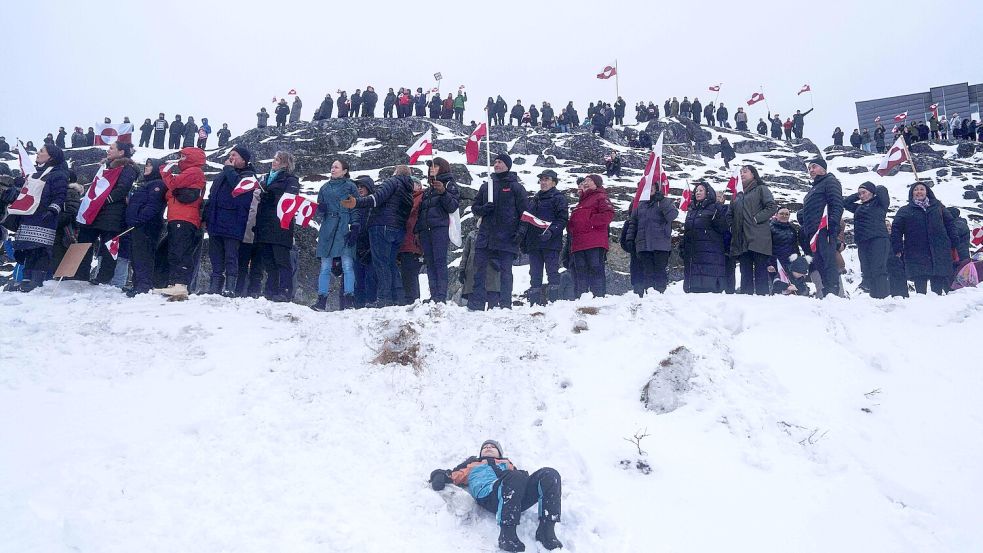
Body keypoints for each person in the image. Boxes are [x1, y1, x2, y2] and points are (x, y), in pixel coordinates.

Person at [429, 440, 562, 552]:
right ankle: (507, 534)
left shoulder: (507, 465)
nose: (488, 448)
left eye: (492, 446)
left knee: (550, 474)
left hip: (515, 495)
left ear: (499, 453)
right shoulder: (472, 465)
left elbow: (523, 480)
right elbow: (450, 475)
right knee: (515, 477)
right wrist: (437, 475)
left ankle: (546, 530)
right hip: (490, 495)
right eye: (485, 447)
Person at [341, 165, 415, 307]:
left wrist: (356, 202)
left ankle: (383, 298)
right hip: (398, 230)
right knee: (391, 264)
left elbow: (376, 198)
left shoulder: (393, 182)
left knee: (381, 263)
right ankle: (397, 298)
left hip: (382, 226)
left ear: (396, 173)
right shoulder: (408, 189)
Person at [467, 153, 527, 310]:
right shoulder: (487, 186)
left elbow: (525, 213)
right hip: (486, 235)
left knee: (506, 272)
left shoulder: (516, 187)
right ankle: (476, 304)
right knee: (479, 271)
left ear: (508, 165)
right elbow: (475, 208)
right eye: (495, 161)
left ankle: (505, 304)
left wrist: (521, 232)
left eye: (500, 162)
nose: (496, 164)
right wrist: (483, 209)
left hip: (507, 236)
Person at [73, 141, 139, 284]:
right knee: (84, 239)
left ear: (121, 152)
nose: (108, 151)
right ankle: (79, 273)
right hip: (93, 211)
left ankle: (103, 277)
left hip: (112, 213)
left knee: (108, 245)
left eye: (111, 148)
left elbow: (122, 188)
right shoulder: (104, 167)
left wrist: (105, 200)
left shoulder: (128, 168)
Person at [5, 145, 69, 291]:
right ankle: (25, 280)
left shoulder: (58, 174)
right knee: (28, 250)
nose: (38, 153)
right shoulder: (33, 173)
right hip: (28, 216)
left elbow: (60, 196)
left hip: (45, 218)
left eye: (42, 151)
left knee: (40, 250)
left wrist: (53, 210)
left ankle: (36, 281)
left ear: (51, 157)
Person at [203, 146, 259, 296]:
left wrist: (228, 170)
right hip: (215, 221)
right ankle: (214, 287)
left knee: (231, 256)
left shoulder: (249, 176)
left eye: (234, 155)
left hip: (234, 223)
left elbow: (238, 189)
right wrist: (206, 216)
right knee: (215, 256)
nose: (230, 157)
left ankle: (230, 288)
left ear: (243, 159)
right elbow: (212, 195)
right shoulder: (223, 174)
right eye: (230, 154)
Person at [890, 182, 960, 295]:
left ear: (927, 191)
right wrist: (897, 247)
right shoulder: (905, 210)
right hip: (916, 251)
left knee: (938, 283)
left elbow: (950, 223)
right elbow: (896, 229)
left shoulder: (938, 207)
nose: (919, 192)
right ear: (911, 193)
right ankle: (922, 308)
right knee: (920, 284)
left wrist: (953, 240)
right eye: (916, 189)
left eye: (922, 189)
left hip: (939, 249)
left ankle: (939, 307)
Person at [155, 147, 206, 297]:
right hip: (178, 216)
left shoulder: (194, 171)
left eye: (183, 156)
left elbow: (174, 184)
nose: (180, 159)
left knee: (180, 250)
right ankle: (174, 282)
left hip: (184, 217)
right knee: (174, 250)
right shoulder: (189, 173)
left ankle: (180, 284)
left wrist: (165, 170)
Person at [251, 150, 300, 302]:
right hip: (264, 224)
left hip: (280, 226)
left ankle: (285, 290)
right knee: (269, 261)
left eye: (278, 159)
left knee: (281, 260)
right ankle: (270, 290)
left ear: (285, 163)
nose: (274, 161)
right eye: (274, 159)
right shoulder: (266, 179)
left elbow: (290, 200)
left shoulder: (291, 180)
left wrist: (273, 197)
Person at [312, 161, 358, 311]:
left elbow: (356, 207)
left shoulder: (351, 186)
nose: (333, 169)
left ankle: (349, 300)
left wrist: (355, 226)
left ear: (345, 171)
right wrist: (321, 209)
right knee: (325, 266)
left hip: (344, 225)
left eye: (336, 167)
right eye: (332, 166)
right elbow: (319, 212)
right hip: (328, 227)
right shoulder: (324, 187)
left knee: (347, 265)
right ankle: (321, 301)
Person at [415, 157, 460, 303]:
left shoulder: (449, 185)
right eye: (430, 167)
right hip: (426, 230)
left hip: (440, 228)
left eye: (435, 166)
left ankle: (441, 295)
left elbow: (453, 206)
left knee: (439, 261)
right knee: (430, 262)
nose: (431, 169)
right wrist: (418, 230)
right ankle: (434, 294)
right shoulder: (428, 190)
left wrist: (443, 192)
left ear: (443, 168)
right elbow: (422, 211)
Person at [797, 158, 844, 298]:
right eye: (809, 168)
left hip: (825, 229)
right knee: (819, 261)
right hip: (813, 232)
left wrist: (833, 226)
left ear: (823, 168)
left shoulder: (830, 181)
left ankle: (833, 291)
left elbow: (836, 204)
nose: (811, 170)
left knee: (828, 261)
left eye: (814, 167)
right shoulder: (813, 188)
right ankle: (826, 290)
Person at [727, 165, 777, 295]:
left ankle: (762, 298)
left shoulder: (761, 189)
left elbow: (771, 207)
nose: (742, 174)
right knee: (745, 271)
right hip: (742, 239)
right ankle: (746, 297)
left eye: (745, 172)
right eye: (741, 172)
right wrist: (733, 226)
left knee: (760, 269)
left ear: (753, 174)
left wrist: (756, 219)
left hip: (759, 237)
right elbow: (729, 214)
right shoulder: (737, 195)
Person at [521, 169, 568, 304]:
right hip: (534, 244)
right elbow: (528, 221)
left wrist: (551, 232)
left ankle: (555, 304)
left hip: (551, 243)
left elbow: (562, 219)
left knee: (552, 273)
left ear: (554, 182)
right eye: (541, 179)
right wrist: (524, 242)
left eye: (546, 179)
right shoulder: (534, 199)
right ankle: (535, 305)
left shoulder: (559, 198)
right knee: (534, 275)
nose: (543, 182)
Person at [625, 182, 678, 295]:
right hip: (643, 244)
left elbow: (672, 215)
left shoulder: (664, 202)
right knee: (647, 271)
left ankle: (660, 294)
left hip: (661, 244)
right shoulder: (639, 205)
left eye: (652, 187)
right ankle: (649, 294)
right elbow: (633, 223)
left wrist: (662, 201)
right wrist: (630, 238)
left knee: (659, 271)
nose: (649, 190)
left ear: (656, 188)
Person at [567, 174, 614, 298]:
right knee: (580, 272)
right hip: (578, 243)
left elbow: (608, 214)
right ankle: (581, 299)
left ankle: (598, 298)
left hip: (594, 241)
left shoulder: (600, 196)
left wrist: (590, 222)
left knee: (595, 269)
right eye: (585, 181)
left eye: (589, 180)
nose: (586, 182)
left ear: (596, 184)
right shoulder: (580, 202)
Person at [124, 159, 166, 296]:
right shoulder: (146, 184)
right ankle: (138, 284)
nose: (146, 167)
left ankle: (144, 286)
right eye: (146, 164)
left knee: (144, 255)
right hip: (137, 226)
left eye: (150, 165)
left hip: (147, 226)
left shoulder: (158, 184)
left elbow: (153, 206)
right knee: (136, 255)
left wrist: (138, 219)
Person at [844, 182, 890, 298]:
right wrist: (858, 193)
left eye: (864, 193)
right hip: (863, 241)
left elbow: (882, 189)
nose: (861, 196)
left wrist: (873, 189)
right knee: (867, 269)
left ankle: (883, 296)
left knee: (878, 268)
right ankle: (874, 296)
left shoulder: (879, 204)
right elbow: (845, 203)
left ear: (872, 193)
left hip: (878, 239)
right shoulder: (858, 207)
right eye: (859, 194)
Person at [680, 182, 728, 293]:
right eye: (696, 190)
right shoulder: (691, 211)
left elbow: (722, 228)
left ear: (708, 192)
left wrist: (719, 212)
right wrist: (682, 248)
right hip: (694, 253)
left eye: (701, 190)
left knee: (707, 291)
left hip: (710, 253)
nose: (698, 192)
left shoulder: (714, 208)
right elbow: (687, 231)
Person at [459, 220, 501, 309]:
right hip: (473, 272)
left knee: (493, 308)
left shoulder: (497, 234)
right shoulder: (472, 235)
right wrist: (462, 269)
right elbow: (465, 254)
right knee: (474, 309)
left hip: (492, 272)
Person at [349, 175, 377, 307]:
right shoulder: (355, 205)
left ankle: (371, 301)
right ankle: (358, 304)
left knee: (371, 277)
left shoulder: (374, 205)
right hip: (357, 246)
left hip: (371, 245)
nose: (359, 189)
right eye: (358, 187)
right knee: (358, 277)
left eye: (362, 187)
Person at [398, 179, 424, 304]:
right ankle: (409, 298)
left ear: (419, 186)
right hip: (405, 241)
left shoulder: (420, 197)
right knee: (406, 272)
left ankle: (412, 299)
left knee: (410, 272)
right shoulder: (408, 198)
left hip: (413, 240)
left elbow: (411, 213)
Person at [768, 207, 800, 278]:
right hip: (774, 263)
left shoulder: (792, 229)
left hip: (790, 264)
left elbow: (795, 247)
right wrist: (768, 264)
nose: (784, 216)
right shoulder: (769, 228)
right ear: (776, 215)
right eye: (781, 214)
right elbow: (765, 247)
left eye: (786, 214)